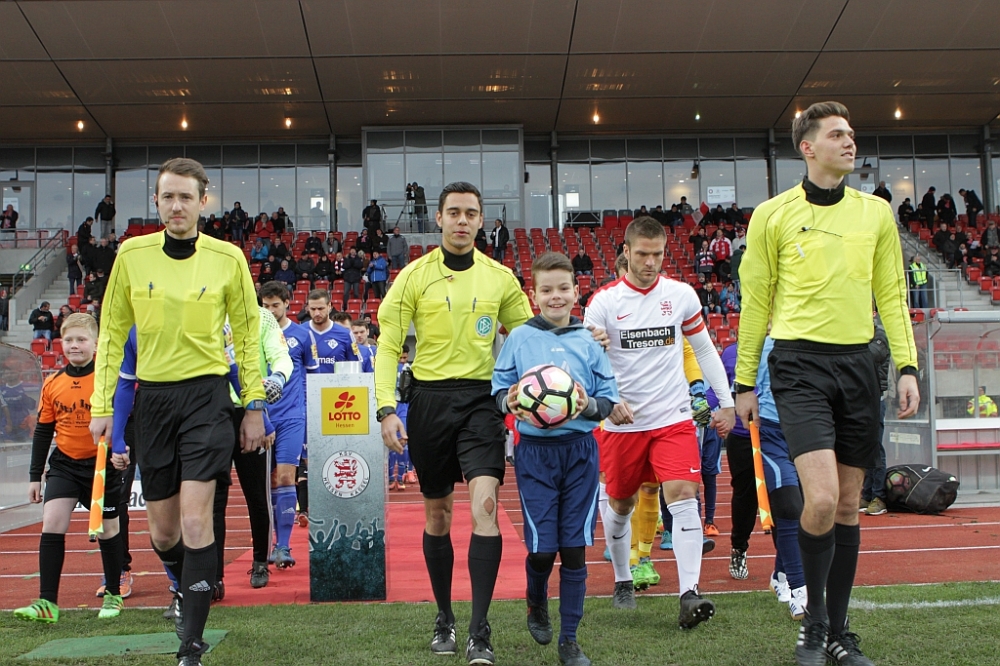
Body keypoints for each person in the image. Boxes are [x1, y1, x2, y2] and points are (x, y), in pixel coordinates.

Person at [735, 102, 919, 666]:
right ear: (808, 147)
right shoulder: (771, 215)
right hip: (797, 366)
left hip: (859, 365)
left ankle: (838, 632)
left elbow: (892, 294)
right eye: (837, 134)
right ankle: (814, 625)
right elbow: (755, 302)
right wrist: (744, 381)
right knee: (817, 499)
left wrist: (907, 366)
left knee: (846, 504)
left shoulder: (876, 213)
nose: (850, 141)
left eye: (852, 133)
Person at [89, 158, 266, 666]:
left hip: (208, 397)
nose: (176, 206)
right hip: (153, 401)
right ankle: (191, 582)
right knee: (164, 533)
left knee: (195, 520)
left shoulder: (228, 258)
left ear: (203, 202)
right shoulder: (132, 254)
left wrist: (253, 405)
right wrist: (104, 404)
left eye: (186, 197)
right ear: (156, 201)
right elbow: (111, 332)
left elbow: (247, 337)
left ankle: (191, 642)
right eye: (167, 196)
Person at [374, 182, 535, 665]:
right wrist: (386, 408)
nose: (462, 221)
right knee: (438, 515)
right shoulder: (412, 276)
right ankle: (444, 615)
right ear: (439, 219)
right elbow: (388, 345)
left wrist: (572, 342)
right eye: (454, 213)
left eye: (470, 213)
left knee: (486, 506)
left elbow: (529, 338)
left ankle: (479, 630)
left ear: (482, 221)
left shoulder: (500, 278)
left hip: (481, 402)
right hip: (428, 401)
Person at [584, 216, 735, 624]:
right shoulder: (604, 303)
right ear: (626, 252)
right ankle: (622, 578)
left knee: (683, 493)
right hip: (623, 423)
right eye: (642, 254)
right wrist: (608, 401)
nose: (650, 263)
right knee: (621, 504)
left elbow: (704, 350)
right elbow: (588, 362)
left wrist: (725, 401)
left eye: (657, 255)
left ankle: (689, 593)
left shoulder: (681, 295)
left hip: (673, 417)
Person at [492, 251, 619, 666]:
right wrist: (509, 401)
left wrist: (586, 406)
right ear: (534, 295)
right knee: (543, 550)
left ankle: (570, 639)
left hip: (580, 452)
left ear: (576, 292)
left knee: (574, 548)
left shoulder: (590, 340)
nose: (556, 296)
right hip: (535, 455)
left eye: (563, 288)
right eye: (546, 290)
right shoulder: (519, 338)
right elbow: (499, 389)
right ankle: (536, 600)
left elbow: (608, 400)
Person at [14, 314, 126, 623]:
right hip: (65, 464)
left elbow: (127, 420)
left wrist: (121, 450)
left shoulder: (108, 380)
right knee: (52, 523)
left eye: (81, 339)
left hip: (102, 466)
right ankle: (47, 603)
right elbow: (43, 431)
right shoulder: (53, 383)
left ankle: (113, 593)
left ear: (95, 344)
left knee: (108, 529)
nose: (74, 345)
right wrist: (35, 476)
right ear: (60, 343)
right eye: (68, 340)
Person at [214, 305, 291, 593]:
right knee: (213, 499)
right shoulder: (205, 308)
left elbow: (280, 355)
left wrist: (277, 378)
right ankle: (213, 575)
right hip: (212, 415)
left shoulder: (262, 316)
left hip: (251, 414)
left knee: (257, 494)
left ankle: (260, 561)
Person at [755, 334, 809, 620]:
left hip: (809, 430)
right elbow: (744, 384)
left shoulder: (819, 337)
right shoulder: (764, 344)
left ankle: (780, 574)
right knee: (789, 505)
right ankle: (801, 591)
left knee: (809, 508)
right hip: (771, 430)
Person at [861, 318, 891, 517]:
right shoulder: (864, 336)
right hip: (861, 399)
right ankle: (867, 493)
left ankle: (878, 496)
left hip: (875, 399)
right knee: (864, 448)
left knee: (876, 449)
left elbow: (869, 356)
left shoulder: (879, 336)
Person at [304, 289, 357, 372]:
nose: (317, 313)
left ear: (329, 306)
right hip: (306, 380)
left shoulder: (345, 334)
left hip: (337, 381)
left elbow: (356, 366)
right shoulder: (300, 333)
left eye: (321, 308)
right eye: (313, 309)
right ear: (308, 308)